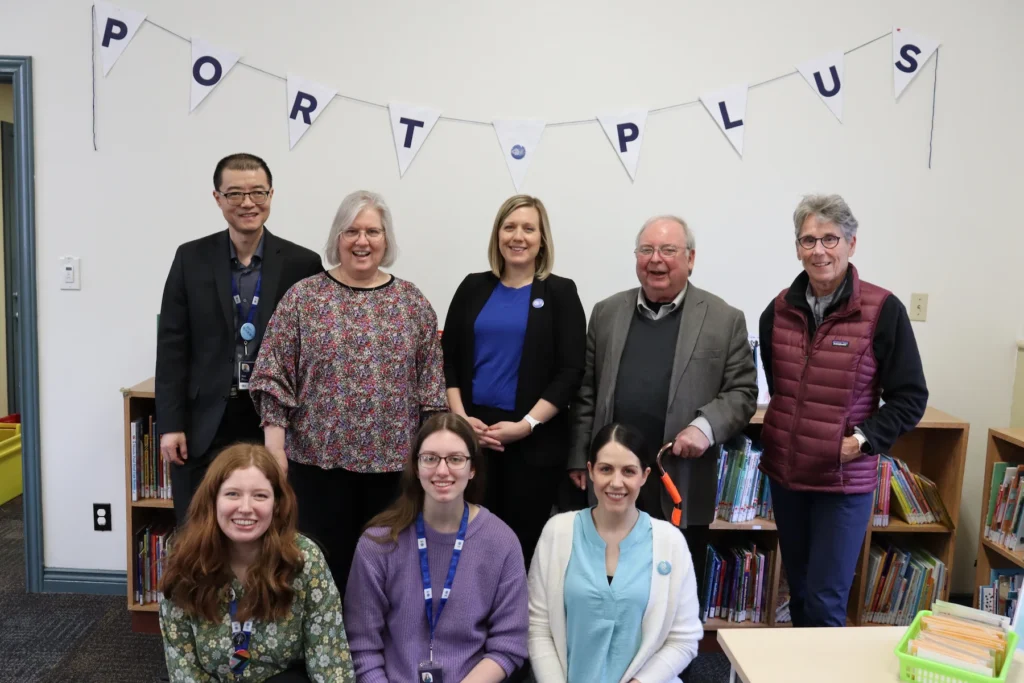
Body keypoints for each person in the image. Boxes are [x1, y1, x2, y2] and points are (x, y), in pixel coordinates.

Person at [248, 189, 448, 592]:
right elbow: (272, 374)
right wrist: (274, 447)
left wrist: (433, 459)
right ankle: (325, 653)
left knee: (390, 573)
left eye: (372, 231)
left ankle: (384, 652)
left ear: (386, 239)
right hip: (318, 468)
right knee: (322, 570)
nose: (362, 241)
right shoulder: (303, 298)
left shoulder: (412, 303)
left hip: (394, 469)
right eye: (351, 231)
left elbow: (432, 388)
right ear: (336, 238)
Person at [758, 194, 928, 627]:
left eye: (830, 238)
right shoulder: (776, 311)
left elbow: (910, 397)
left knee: (824, 600)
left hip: (843, 481)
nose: (819, 251)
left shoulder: (883, 310)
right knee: (796, 593)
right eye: (808, 240)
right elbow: (782, 390)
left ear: (851, 243)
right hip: (788, 478)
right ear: (797, 248)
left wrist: (860, 441)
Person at [568, 215, 758, 600]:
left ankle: (679, 663)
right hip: (614, 481)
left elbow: (742, 393)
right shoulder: (606, 313)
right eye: (647, 250)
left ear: (690, 258)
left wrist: (703, 428)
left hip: (681, 480)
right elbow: (587, 391)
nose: (656, 260)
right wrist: (578, 457)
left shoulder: (724, 319)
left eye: (668, 250)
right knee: (608, 590)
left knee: (675, 599)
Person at [156, 153, 323, 525]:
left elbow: (314, 352)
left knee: (272, 526)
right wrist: (170, 424)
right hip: (204, 420)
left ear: (271, 195)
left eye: (257, 193)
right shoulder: (190, 258)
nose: (247, 203)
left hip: (274, 420)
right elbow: (171, 345)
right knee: (199, 529)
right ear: (217, 198)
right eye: (235, 194)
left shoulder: (303, 264)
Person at [441, 195, 586, 567]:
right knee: (469, 546)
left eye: (528, 228)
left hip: (532, 443)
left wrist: (526, 425)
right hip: (473, 439)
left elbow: (570, 372)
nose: (517, 236)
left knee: (522, 551)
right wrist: (460, 422)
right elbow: (449, 361)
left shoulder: (560, 293)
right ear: (497, 235)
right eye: (509, 227)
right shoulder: (473, 287)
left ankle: (517, 626)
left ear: (542, 239)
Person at [344, 413, 529, 683]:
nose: (442, 470)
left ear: (472, 468)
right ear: (416, 467)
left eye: (455, 459)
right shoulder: (377, 545)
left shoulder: (502, 542)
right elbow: (362, 647)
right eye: (430, 458)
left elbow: (508, 644)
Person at [158, 443, 355, 682]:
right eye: (232, 494)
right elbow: (184, 669)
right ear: (212, 500)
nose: (245, 508)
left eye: (260, 496)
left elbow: (330, 662)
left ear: (277, 504)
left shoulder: (304, 560)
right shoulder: (185, 561)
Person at [529, 423, 702, 683]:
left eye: (628, 471)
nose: (616, 482)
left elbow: (684, 639)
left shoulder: (670, 542)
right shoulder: (557, 533)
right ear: (590, 472)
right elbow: (538, 630)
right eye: (606, 469)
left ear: (644, 476)